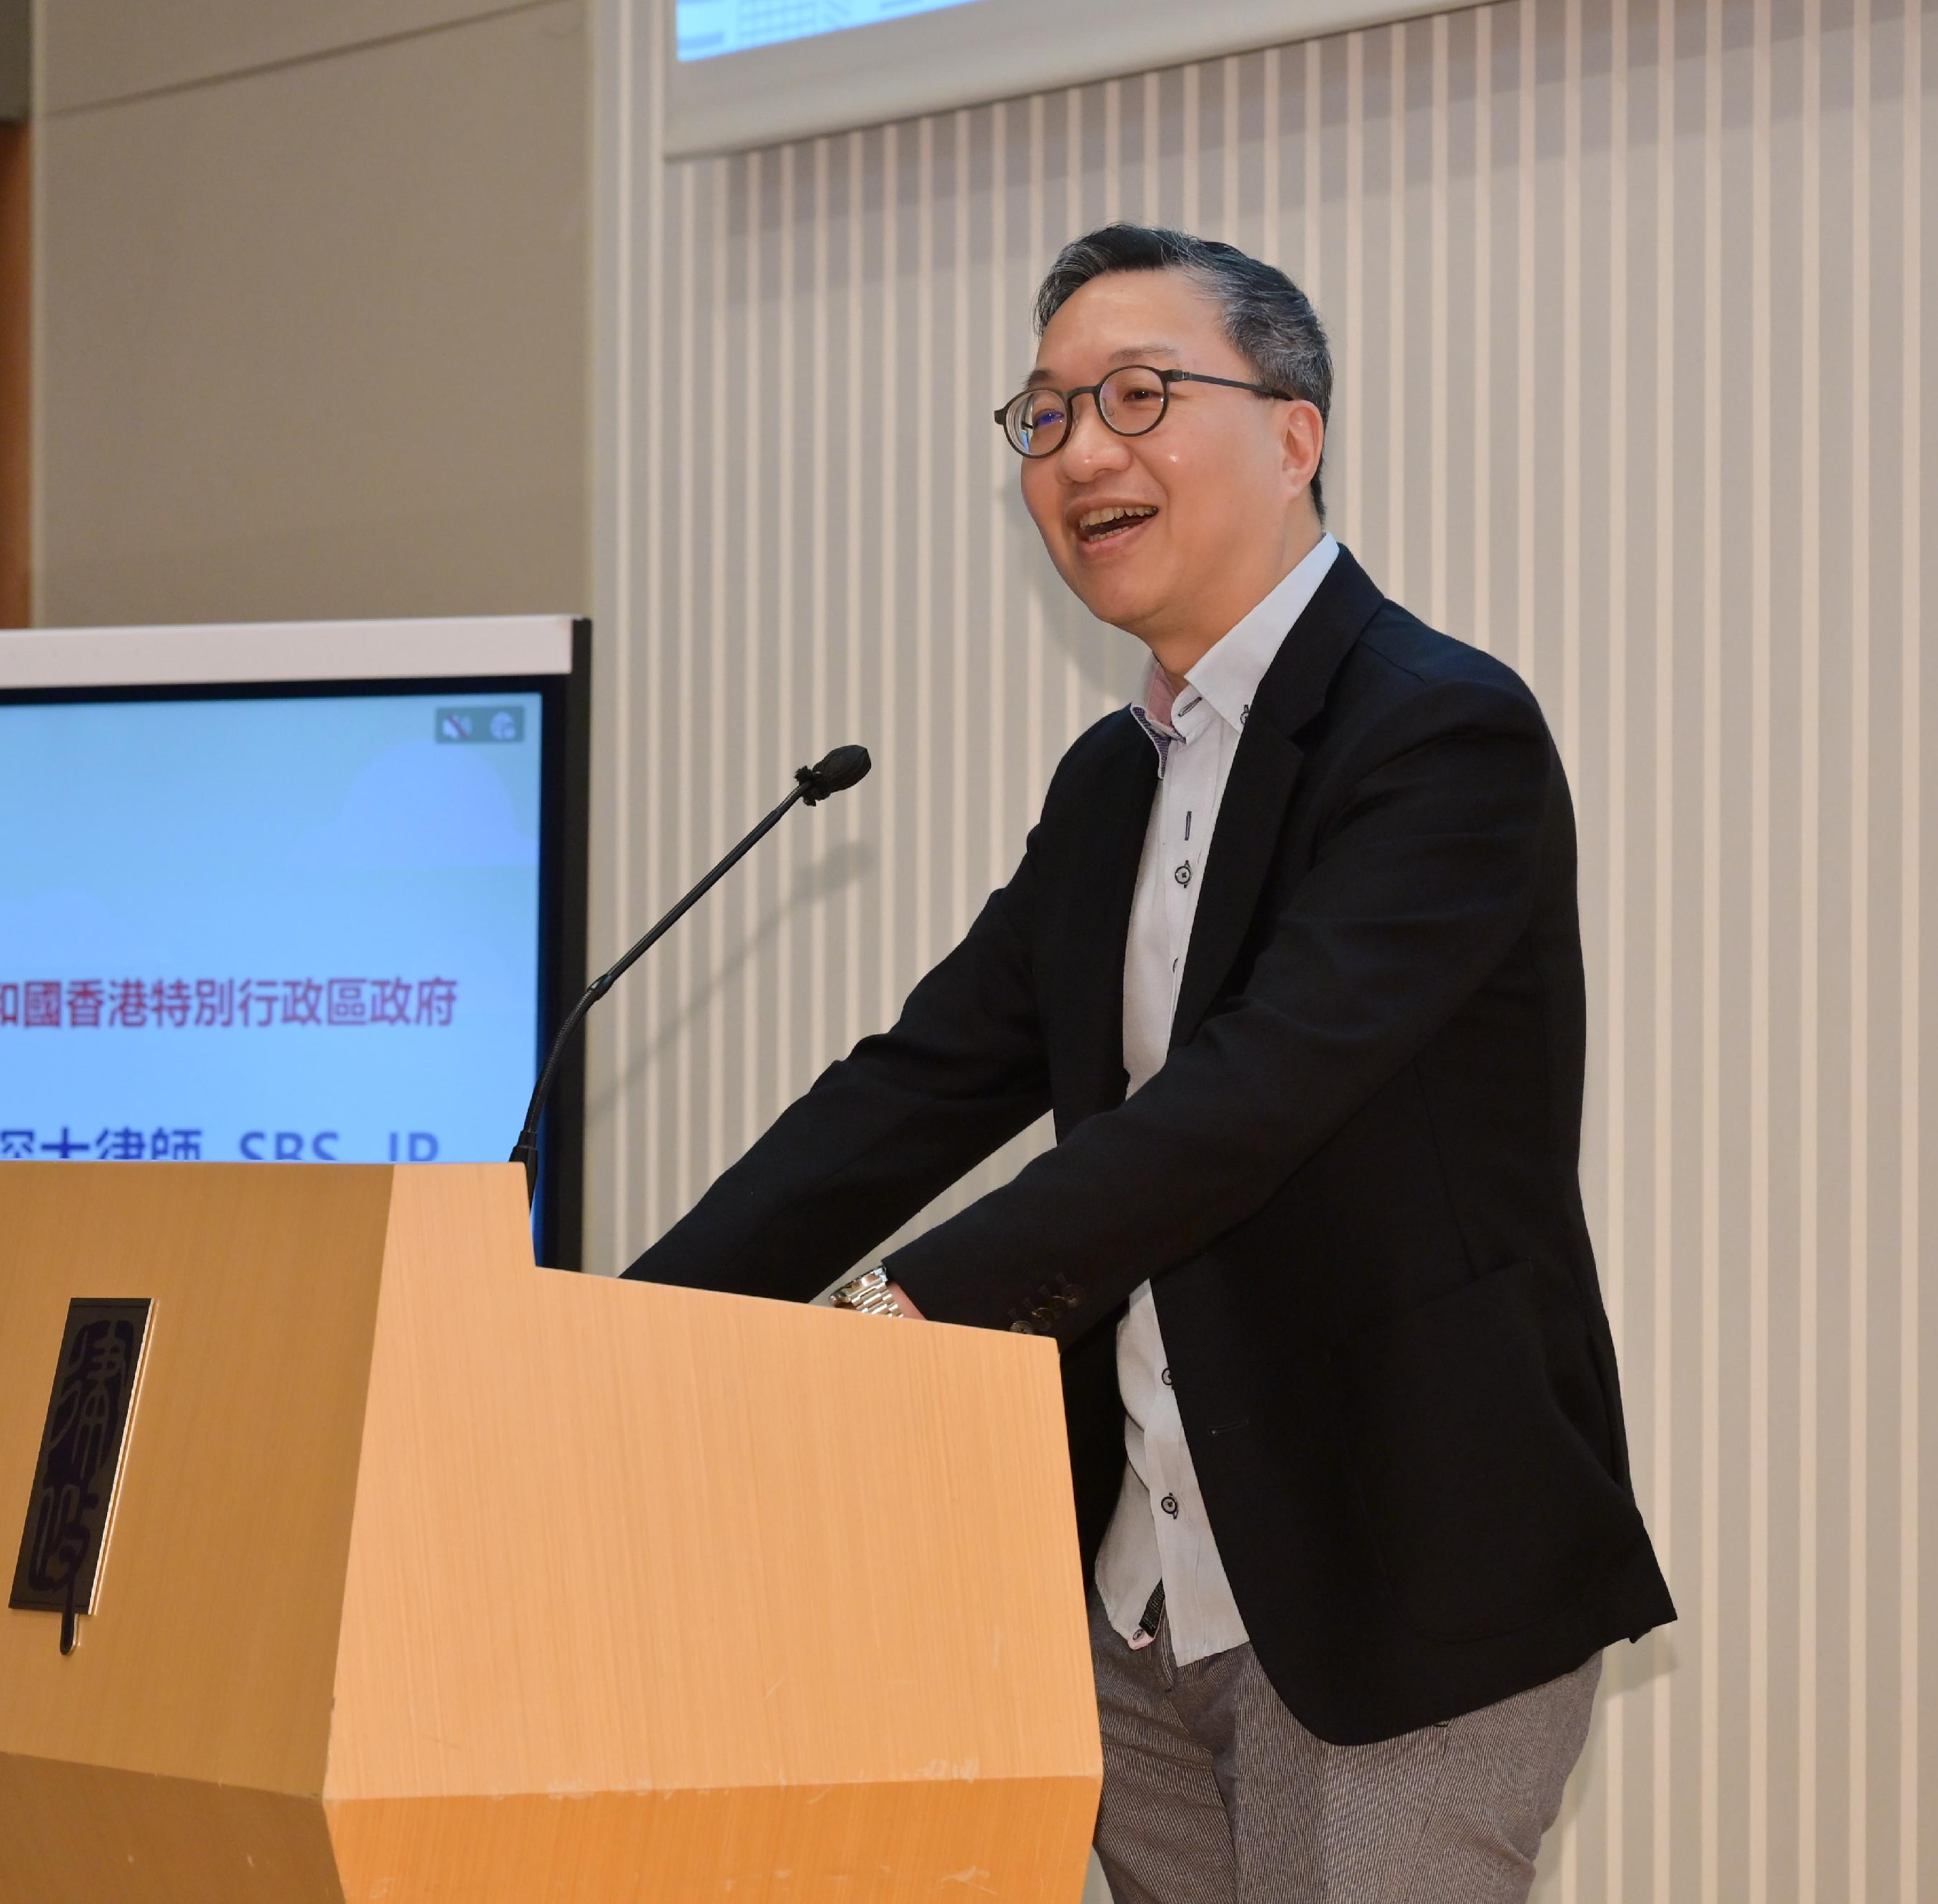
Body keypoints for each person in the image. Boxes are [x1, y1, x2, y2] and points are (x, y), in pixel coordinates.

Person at [622, 223, 1674, 1904]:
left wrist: (903, 1308)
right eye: (1041, 417)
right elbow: (916, 1083)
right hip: (1133, 1593)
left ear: (1291, 431)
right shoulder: (1111, 779)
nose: (1079, 453)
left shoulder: (1435, 733)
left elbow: (1244, 1105)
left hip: (1393, 1574)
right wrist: (630, 1331)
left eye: (1133, 394)